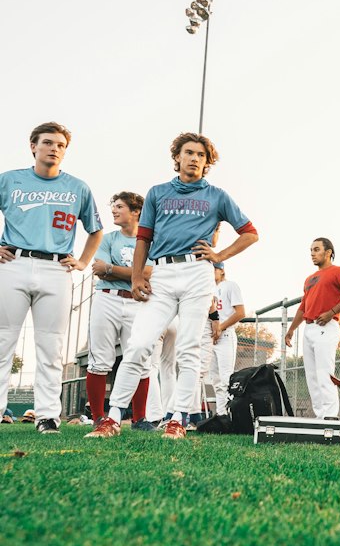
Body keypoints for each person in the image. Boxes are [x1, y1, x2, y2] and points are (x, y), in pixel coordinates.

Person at [86, 132, 258, 440]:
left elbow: (249, 232)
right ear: (177, 157)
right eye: (188, 152)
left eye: (201, 155)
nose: (194, 158)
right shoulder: (157, 192)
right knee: (139, 343)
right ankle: (111, 418)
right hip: (162, 274)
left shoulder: (217, 195)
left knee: (189, 348)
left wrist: (219, 255)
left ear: (207, 162)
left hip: (197, 272)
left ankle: (178, 418)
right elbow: (144, 238)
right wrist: (137, 276)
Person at [0, 121, 103, 434]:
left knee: (51, 346)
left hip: (57, 269)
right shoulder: (10, 180)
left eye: (60, 145)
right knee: (3, 341)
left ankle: (47, 416)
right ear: (33, 146)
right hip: (13, 264)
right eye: (47, 143)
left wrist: (84, 260)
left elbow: (95, 229)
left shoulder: (77, 187)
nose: (53, 149)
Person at [85, 191, 153, 427]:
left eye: (120, 206)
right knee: (100, 360)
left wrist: (111, 269)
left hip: (137, 301)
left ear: (136, 212)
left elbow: (149, 273)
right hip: (107, 298)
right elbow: (98, 269)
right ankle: (98, 417)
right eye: (113, 206)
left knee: (139, 357)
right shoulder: (109, 239)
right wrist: (131, 273)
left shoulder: (148, 241)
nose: (114, 210)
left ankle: (139, 418)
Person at [284, 238, 340, 419]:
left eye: (316, 249)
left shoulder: (337, 271)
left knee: (324, 373)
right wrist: (291, 330)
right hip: (308, 329)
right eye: (310, 250)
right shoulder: (309, 279)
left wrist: (331, 311)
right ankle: (320, 417)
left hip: (326, 326)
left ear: (328, 252)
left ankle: (330, 417)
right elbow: (303, 307)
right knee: (311, 376)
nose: (312, 253)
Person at [203, 264, 245, 415]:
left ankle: (233, 414)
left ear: (222, 270)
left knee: (227, 379)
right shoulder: (208, 288)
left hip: (226, 336)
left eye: (214, 269)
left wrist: (221, 327)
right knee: (215, 380)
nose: (212, 272)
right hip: (211, 338)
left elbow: (240, 313)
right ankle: (221, 415)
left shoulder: (230, 285)